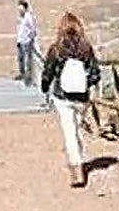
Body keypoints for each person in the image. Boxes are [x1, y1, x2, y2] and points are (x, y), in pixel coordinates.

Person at [40, 12, 101, 189]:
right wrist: (85, 84)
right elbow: (95, 74)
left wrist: (45, 87)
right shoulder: (86, 49)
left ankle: (76, 168)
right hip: (81, 98)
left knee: (70, 132)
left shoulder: (56, 49)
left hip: (62, 97)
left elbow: (48, 72)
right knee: (77, 129)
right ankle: (78, 160)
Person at [15, 0, 38, 85]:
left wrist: (31, 39)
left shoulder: (29, 17)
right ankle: (22, 73)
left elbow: (33, 29)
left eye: (21, 9)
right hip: (20, 41)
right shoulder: (20, 17)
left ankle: (28, 76)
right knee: (20, 58)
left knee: (28, 60)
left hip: (27, 41)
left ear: (25, 8)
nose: (20, 11)